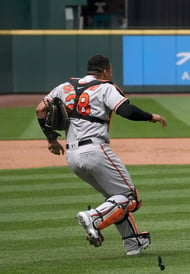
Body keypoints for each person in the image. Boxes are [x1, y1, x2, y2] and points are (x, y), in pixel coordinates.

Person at [35, 54, 167, 255]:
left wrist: (52, 139)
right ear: (105, 71)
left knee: (115, 199)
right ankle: (94, 217)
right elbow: (127, 111)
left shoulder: (65, 87)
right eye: (110, 71)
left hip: (72, 156)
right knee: (130, 198)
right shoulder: (105, 87)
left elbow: (40, 109)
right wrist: (151, 117)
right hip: (95, 151)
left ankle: (133, 242)